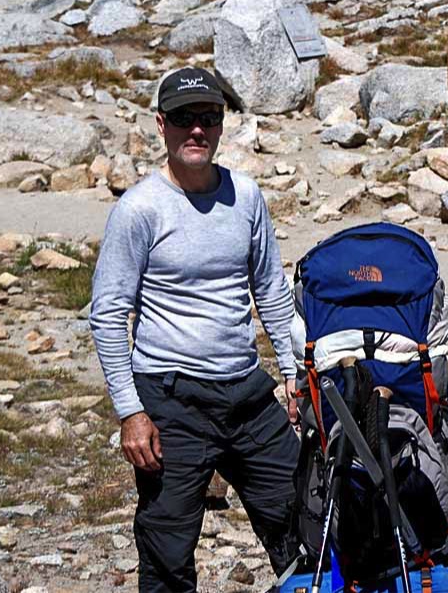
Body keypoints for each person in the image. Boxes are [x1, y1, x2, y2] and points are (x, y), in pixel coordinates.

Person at [90, 67, 301, 592]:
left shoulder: (245, 196)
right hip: (171, 400)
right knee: (167, 550)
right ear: (162, 125)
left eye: (209, 117)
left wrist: (295, 371)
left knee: (305, 517)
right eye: (185, 119)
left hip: (247, 394)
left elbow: (271, 289)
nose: (198, 130)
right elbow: (109, 313)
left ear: (222, 124)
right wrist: (131, 412)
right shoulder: (139, 209)